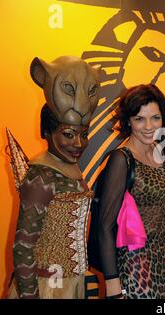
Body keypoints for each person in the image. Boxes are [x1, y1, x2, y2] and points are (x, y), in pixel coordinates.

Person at [7, 55, 101, 298]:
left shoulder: (69, 171)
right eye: (68, 134)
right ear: (46, 132)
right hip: (49, 288)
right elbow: (23, 246)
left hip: (72, 285)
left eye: (83, 134)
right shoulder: (41, 176)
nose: (78, 143)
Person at [88, 84, 165, 299]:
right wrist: (113, 282)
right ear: (128, 122)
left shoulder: (162, 154)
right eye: (139, 119)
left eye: (155, 118)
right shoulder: (121, 159)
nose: (149, 126)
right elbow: (104, 226)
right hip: (137, 271)